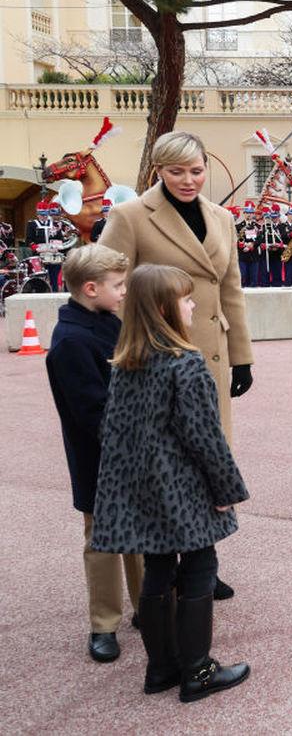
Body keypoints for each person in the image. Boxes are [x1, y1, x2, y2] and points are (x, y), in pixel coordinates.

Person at [99, 130, 253, 599]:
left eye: (197, 170)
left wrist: (242, 356)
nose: (189, 180)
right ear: (158, 172)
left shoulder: (222, 217)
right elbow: (106, 280)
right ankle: (163, 571)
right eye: (177, 171)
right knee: (169, 464)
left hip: (211, 356)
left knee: (212, 457)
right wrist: (135, 342)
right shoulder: (130, 216)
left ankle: (205, 559)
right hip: (157, 361)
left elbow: (231, 289)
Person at [91, 264, 250, 702]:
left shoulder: (127, 363)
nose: (193, 304)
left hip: (143, 487)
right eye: (186, 299)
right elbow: (205, 436)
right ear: (165, 309)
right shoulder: (187, 364)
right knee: (200, 565)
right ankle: (197, 670)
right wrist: (227, 490)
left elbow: (113, 430)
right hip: (183, 486)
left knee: (159, 569)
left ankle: (161, 668)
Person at [44, 244, 143, 664]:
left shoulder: (106, 323)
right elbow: (92, 411)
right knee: (103, 540)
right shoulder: (71, 340)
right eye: (117, 286)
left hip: (133, 448)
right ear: (90, 288)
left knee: (140, 533)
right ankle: (103, 624)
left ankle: (149, 606)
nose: (123, 292)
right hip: (100, 457)